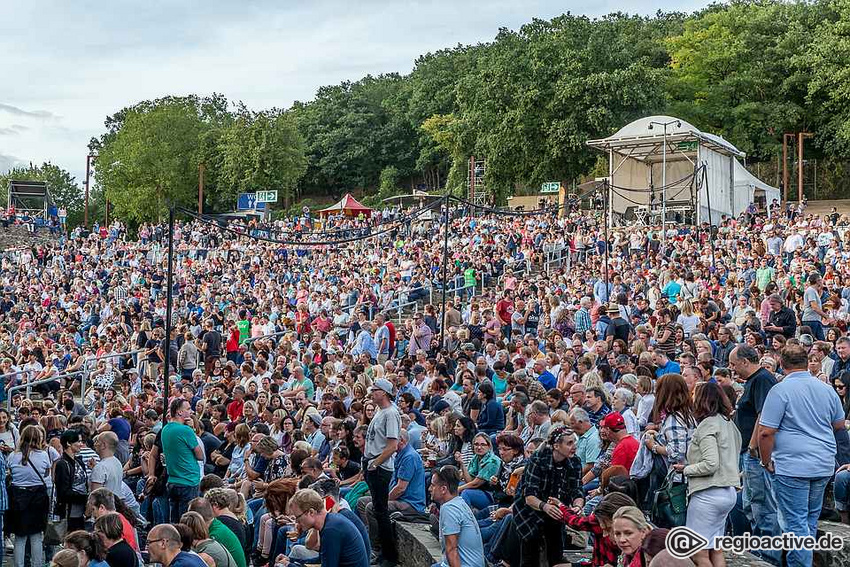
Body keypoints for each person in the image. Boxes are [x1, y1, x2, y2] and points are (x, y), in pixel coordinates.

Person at [758, 344, 845, 567]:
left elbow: (766, 431)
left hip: (792, 464)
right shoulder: (826, 389)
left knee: (796, 523)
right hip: (822, 462)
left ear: (782, 364)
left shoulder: (780, 390)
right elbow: (838, 424)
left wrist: (765, 460)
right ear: (806, 363)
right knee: (809, 521)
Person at [674, 382, 742, 567]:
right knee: (715, 548)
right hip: (727, 492)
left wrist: (685, 469)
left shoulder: (707, 426)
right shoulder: (729, 424)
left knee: (698, 552)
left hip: (708, 493)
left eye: (695, 394)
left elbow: (711, 464)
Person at [728, 345, 779, 560]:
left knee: (762, 505)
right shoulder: (753, 381)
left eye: (733, 364)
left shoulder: (762, 379)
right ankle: (759, 551)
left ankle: (768, 556)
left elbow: (764, 414)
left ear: (745, 361)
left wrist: (752, 445)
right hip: (747, 452)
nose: (731, 368)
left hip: (754, 454)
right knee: (750, 504)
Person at [513, 425, 584, 567]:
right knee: (529, 558)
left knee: (556, 556)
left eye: (574, 442)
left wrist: (577, 505)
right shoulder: (538, 459)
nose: (574, 446)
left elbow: (577, 490)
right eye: (569, 443)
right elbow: (529, 496)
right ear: (556, 446)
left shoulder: (574, 462)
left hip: (556, 511)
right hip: (529, 512)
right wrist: (545, 506)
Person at [362, 378, 401, 567]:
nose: (371, 393)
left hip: (379, 466)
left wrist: (375, 463)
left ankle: (390, 555)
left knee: (381, 511)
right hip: (371, 462)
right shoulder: (380, 411)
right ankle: (382, 552)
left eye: (375, 390)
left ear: (383, 392)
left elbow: (393, 445)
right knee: (378, 510)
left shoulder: (391, 413)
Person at [8, 424, 58, 567]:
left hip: (18, 497)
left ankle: (19, 565)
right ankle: (37, 564)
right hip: (38, 497)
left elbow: (10, 472)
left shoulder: (13, 455)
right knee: (36, 536)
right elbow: (46, 473)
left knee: (20, 537)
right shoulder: (43, 455)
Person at [284, 488, 369, 567]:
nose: (296, 522)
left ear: (311, 512)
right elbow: (322, 559)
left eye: (298, 517)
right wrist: (290, 560)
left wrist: (289, 565)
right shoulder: (330, 522)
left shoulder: (331, 530)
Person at [429, 465, 485, 567]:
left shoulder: (450, 509)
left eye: (432, 485)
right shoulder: (459, 502)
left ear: (443, 489)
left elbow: (452, 550)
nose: (429, 489)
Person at [161, 397, 204, 522]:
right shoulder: (185, 430)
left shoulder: (166, 429)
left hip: (173, 480)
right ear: (180, 412)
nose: (191, 411)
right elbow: (200, 455)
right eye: (188, 409)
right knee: (187, 521)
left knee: (174, 520)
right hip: (188, 481)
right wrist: (191, 430)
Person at [54, 429, 90, 532]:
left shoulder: (78, 461)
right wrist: (85, 498)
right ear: (69, 443)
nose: (81, 444)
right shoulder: (62, 464)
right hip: (70, 511)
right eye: (78, 441)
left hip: (81, 511)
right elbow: (64, 492)